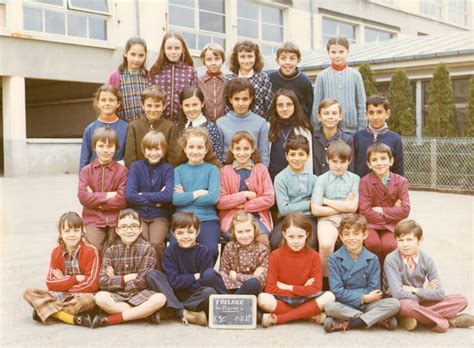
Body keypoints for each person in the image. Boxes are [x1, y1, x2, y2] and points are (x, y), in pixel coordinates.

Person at [384, 219, 474, 332]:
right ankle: (449, 322)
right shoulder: (391, 259)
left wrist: (416, 290)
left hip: (418, 298)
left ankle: (414, 317)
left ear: (420, 240)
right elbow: (398, 294)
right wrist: (426, 292)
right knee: (409, 306)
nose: (405, 244)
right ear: (396, 241)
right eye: (400, 240)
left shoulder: (426, 259)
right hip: (403, 302)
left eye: (409, 240)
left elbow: (440, 293)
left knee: (461, 300)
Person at [323, 213, 400, 333]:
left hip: (369, 304)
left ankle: (349, 323)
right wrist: (363, 298)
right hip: (346, 304)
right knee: (329, 307)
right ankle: (377, 319)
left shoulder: (372, 258)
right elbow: (337, 291)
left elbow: (374, 289)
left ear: (365, 234)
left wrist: (367, 299)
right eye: (346, 234)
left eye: (356, 233)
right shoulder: (334, 259)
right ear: (341, 237)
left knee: (394, 304)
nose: (351, 238)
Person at [257, 212, 335, 327]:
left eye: (300, 236)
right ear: (284, 234)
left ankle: (280, 318)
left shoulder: (314, 256)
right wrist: (303, 288)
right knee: (263, 299)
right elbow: (270, 288)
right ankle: (308, 314)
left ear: (307, 234)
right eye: (291, 236)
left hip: (307, 299)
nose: (296, 241)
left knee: (330, 296)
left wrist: (288, 287)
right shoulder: (275, 255)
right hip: (283, 299)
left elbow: (316, 288)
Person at [91, 209, 166, 328]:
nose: (129, 230)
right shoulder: (110, 250)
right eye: (124, 226)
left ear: (140, 229)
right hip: (118, 295)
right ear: (117, 230)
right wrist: (126, 278)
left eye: (134, 226)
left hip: (141, 294)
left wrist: (116, 279)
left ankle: (114, 319)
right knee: (100, 297)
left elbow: (142, 282)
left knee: (160, 298)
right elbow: (103, 282)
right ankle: (144, 313)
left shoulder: (147, 249)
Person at [23, 212, 99, 327]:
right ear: (61, 233)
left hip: (81, 296)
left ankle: (48, 312)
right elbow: (50, 283)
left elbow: (92, 284)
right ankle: (70, 318)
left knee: (89, 300)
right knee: (29, 293)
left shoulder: (91, 251)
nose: (71, 235)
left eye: (76, 230)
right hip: (61, 295)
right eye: (67, 231)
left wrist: (63, 281)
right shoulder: (56, 252)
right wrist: (75, 278)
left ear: (82, 230)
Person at [311, 140, 359, 289]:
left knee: (354, 242)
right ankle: (325, 283)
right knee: (325, 245)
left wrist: (326, 200)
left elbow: (353, 207)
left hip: (348, 219)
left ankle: (352, 282)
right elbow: (316, 210)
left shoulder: (354, 179)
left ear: (349, 161)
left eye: (342, 162)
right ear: (327, 160)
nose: (338, 166)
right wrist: (342, 206)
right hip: (327, 219)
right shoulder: (321, 180)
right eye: (334, 161)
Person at [125, 131, 174, 268]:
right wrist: (157, 199)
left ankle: (158, 274)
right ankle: (142, 274)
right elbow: (130, 195)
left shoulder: (167, 169)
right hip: (138, 214)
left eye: (157, 149)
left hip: (159, 215)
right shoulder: (136, 167)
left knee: (156, 243)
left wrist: (142, 195)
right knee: (143, 240)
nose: (153, 153)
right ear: (144, 150)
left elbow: (168, 196)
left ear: (163, 150)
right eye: (150, 149)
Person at [217, 131, 274, 247]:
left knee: (261, 239)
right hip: (232, 218)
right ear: (232, 149)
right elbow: (220, 202)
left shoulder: (261, 170)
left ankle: (261, 265)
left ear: (253, 149)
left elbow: (269, 198)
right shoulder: (224, 171)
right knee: (240, 237)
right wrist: (244, 195)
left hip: (257, 216)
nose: (242, 153)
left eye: (246, 149)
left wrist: (245, 206)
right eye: (238, 149)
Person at [172, 128, 221, 261]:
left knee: (210, 249)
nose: (195, 151)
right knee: (177, 247)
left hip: (207, 218)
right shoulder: (178, 171)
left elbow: (213, 197)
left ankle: (205, 277)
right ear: (185, 149)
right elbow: (176, 199)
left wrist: (186, 196)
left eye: (200, 147)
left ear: (206, 150)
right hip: (182, 217)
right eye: (191, 147)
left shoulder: (213, 170)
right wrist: (199, 192)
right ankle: (185, 278)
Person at [161, 211, 217, 326]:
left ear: (197, 232)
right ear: (173, 233)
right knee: (153, 275)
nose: (185, 236)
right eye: (180, 233)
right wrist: (194, 276)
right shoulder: (169, 252)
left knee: (209, 292)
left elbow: (204, 281)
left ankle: (174, 310)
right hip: (173, 292)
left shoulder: (204, 252)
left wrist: (181, 280)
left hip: (195, 294)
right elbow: (172, 282)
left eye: (190, 232)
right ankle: (182, 311)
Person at [78, 127, 128, 254]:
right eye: (101, 146)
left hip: (116, 218)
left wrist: (95, 199)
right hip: (93, 218)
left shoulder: (123, 171)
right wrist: (108, 195)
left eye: (109, 146)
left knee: (117, 248)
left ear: (116, 147)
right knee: (93, 248)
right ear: (94, 147)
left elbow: (122, 200)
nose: (105, 150)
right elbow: (83, 197)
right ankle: (96, 273)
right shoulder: (86, 171)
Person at [359, 142, 410, 268]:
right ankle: (374, 279)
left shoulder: (401, 181)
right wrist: (393, 211)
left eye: (383, 158)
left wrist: (382, 210)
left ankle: (389, 279)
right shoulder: (364, 181)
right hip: (370, 225)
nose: (379, 163)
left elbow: (405, 210)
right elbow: (364, 211)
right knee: (372, 243)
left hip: (392, 226)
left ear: (391, 161)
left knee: (390, 245)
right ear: (369, 164)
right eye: (374, 160)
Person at [200, 212, 269, 295]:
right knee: (208, 274)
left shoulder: (262, 249)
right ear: (234, 232)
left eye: (248, 231)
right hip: (228, 287)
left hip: (248, 289)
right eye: (240, 232)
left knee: (254, 283)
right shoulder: (229, 247)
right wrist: (251, 276)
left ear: (254, 230)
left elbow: (261, 280)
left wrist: (236, 276)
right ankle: (233, 301)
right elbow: (223, 272)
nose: (245, 235)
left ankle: (230, 301)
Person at [311, 36, 366, 134]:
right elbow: (316, 105)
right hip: (327, 130)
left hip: (351, 131)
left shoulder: (355, 75)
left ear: (347, 52)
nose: (337, 55)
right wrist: (317, 128)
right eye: (333, 52)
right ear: (328, 52)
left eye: (341, 52)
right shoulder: (322, 76)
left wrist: (362, 129)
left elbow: (361, 104)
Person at [272, 135, 317, 250]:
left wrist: (312, 205)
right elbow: (284, 209)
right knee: (275, 241)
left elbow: (317, 205)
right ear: (286, 156)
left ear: (307, 156)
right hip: (287, 218)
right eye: (292, 154)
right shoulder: (281, 178)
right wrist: (308, 204)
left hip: (309, 218)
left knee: (311, 242)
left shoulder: (314, 179)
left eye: (301, 154)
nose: (297, 158)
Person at [217, 78, 269, 166]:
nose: (241, 103)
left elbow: (264, 155)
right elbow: (219, 155)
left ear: (251, 99)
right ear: (230, 99)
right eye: (237, 99)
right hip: (229, 172)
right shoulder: (221, 123)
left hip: (254, 172)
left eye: (245, 99)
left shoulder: (261, 123)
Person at [149, 32, 198, 126]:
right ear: (163, 49)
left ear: (183, 49)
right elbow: (150, 98)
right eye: (169, 48)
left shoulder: (190, 71)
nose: (173, 52)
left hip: (183, 124)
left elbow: (194, 98)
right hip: (159, 124)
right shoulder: (155, 71)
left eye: (177, 48)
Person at [124, 85, 179, 168]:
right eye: (149, 106)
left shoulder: (170, 127)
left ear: (164, 106)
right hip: (140, 175)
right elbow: (130, 158)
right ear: (142, 105)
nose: (153, 110)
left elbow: (172, 159)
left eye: (157, 106)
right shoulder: (134, 126)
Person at [268, 88, 313, 181]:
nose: (284, 108)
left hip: (297, 179)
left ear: (295, 106)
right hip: (272, 177)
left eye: (289, 104)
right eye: (280, 105)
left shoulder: (303, 129)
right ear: (275, 108)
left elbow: (309, 160)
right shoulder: (268, 127)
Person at [354, 95, 404, 178]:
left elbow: (399, 170)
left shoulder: (395, 139)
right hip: (362, 188)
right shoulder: (357, 137)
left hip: (386, 189)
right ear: (366, 114)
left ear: (387, 114)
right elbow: (352, 168)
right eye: (371, 112)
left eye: (379, 112)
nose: (375, 117)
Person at [79, 85, 128, 170]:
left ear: (118, 103)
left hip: (118, 177)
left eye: (112, 100)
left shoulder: (127, 127)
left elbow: (128, 157)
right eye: (103, 100)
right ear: (98, 103)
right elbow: (84, 160)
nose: (107, 103)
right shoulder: (90, 129)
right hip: (95, 177)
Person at [226, 40, 273, 119]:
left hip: (258, 126)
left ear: (256, 57)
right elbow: (227, 107)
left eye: (250, 56)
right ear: (236, 58)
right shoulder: (230, 80)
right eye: (242, 56)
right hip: (236, 126)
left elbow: (269, 105)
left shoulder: (263, 78)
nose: (246, 60)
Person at [178, 86, 224, 164]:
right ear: (181, 106)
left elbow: (217, 156)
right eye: (187, 105)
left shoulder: (210, 127)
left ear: (202, 104)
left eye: (195, 104)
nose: (191, 109)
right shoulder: (179, 127)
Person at [268, 42, 313, 120]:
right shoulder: (270, 79)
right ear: (277, 60)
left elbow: (310, 107)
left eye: (292, 58)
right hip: (276, 125)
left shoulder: (305, 81)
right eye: (283, 58)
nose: (287, 62)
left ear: (298, 60)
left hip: (299, 124)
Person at [107, 37, 148, 122]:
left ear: (145, 55)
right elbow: (109, 103)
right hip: (123, 127)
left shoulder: (149, 76)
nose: (136, 59)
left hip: (145, 126)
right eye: (133, 54)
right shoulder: (115, 77)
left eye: (141, 55)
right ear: (125, 53)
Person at [313, 98, 354, 176]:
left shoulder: (347, 140)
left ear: (340, 116)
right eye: (326, 113)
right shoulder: (312, 138)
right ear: (319, 117)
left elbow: (350, 170)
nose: (330, 117)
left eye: (334, 113)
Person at [197, 43, 226, 121]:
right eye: (209, 59)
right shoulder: (199, 82)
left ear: (222, 60)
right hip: (204, 123)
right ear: (204, 61)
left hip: (223, 123)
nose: (213, 63)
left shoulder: (228, 82)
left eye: (217, 59)